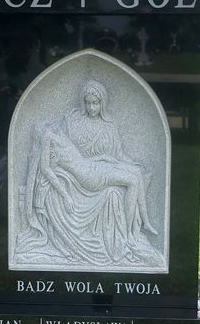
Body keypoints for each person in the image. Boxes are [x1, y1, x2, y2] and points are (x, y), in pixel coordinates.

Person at [14, 79, 164, 270]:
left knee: (136, 172)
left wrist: (118, 160)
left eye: (96, 103)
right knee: (130, 182)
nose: (92, 107)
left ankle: (141, 226)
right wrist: (66, 194)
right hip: (85, 179)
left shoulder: (108, 125)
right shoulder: (65, 126)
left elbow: (115, 154)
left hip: (94, 167)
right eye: (88, 103)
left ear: (103, 102)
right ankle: (130, 234)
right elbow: (47, 167)